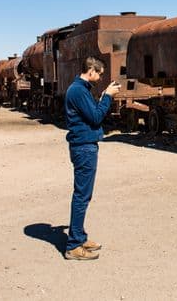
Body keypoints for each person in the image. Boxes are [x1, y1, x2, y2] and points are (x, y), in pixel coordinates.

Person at [63, 56, 120, 261]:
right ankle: (73, 246)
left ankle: (79, 236)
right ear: (91, 71)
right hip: (84, 147)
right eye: (100, 74)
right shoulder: (78, 91)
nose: (100, 78)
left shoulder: (80, 90)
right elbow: (96, 117)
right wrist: (108, 97)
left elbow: (90, 113)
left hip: (84, 145)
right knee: (82, 195)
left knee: (83, 194)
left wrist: (103, 95)